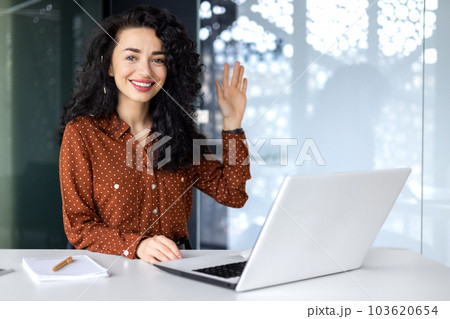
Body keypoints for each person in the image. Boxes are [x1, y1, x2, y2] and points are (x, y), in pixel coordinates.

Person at [58, 5, 250, 264]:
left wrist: (232, 123)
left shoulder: (182, 135)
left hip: (176, 270)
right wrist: (138, 246)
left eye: (158, 59)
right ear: (110, 66)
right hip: (113, 274)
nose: (145, 70)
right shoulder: (83, 134)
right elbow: (79, 227)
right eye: (131, 57)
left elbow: (232, 194)